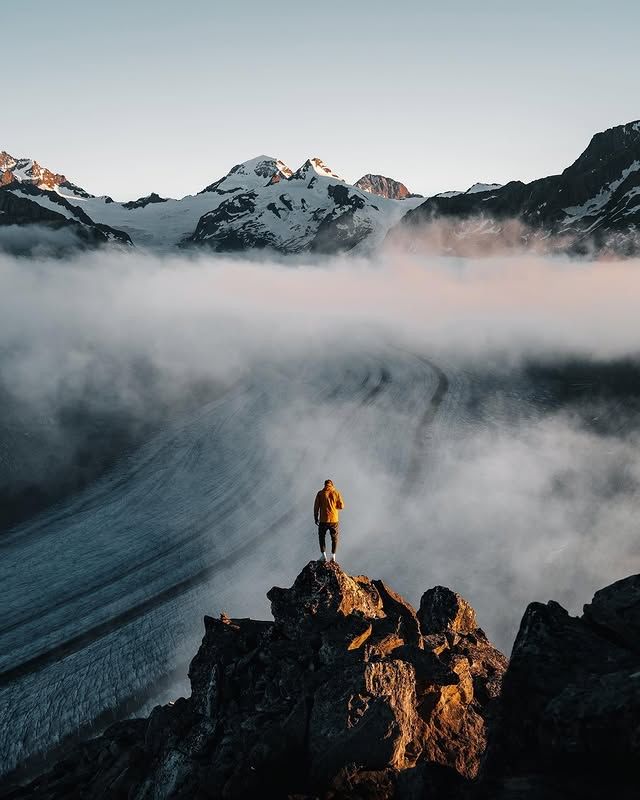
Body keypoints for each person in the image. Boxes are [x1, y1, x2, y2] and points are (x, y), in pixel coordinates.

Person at [313, 479, 345, 563]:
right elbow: (341, 506)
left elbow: (316, 507)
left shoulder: (320, 493)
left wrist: (316, 518)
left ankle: (323, 556)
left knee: (321, 537)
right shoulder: (336, 493)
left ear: (324, 485)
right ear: (332, 485)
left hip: (323, 520)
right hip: (334, 519)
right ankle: (333, 556)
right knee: (334, 538)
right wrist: (334, 508)